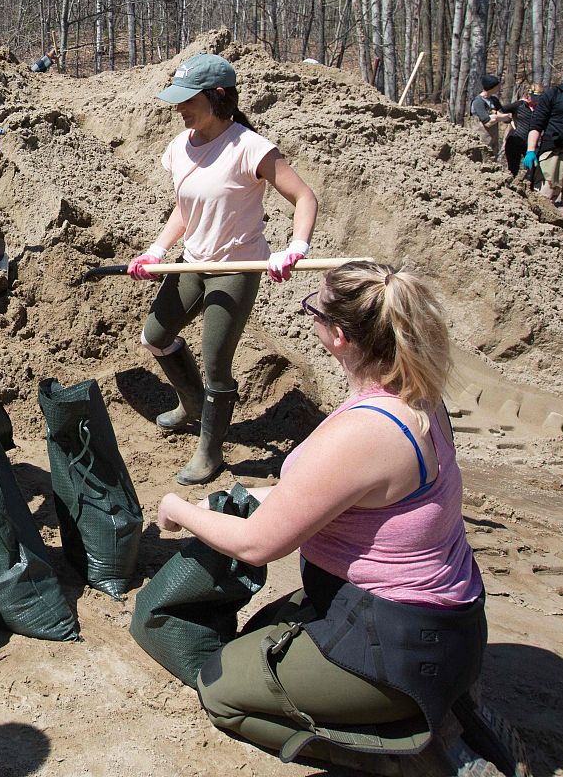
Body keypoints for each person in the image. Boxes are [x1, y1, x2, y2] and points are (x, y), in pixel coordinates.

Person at [156, 262, 489, 768]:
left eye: (313, 306)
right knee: (260, 636)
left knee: (220, 689)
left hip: (402, 642)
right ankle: (429, 708)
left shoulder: (365, 433)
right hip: (446, 621)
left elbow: (257, 545)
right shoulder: (419, 393)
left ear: (337, 335)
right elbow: (328, 493)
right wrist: (243, 496)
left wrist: (177, 508)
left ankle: (411, 753)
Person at [127, 53, 318, 485]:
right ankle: (193, 404)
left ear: (217, 97)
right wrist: (157, 250)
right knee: (155, 336)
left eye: (188, 99)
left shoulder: (248, 147)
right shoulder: (179, 146)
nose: (179, 109)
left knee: (217, 363)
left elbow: (305, 198)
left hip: (237, 265)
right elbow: (185, 207)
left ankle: (209, 453)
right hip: (192, 262)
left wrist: (296, 246)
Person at [524, 55, 563, 224]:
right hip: (553, 152)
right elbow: (536, 125)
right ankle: (537, 231)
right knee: (544, 197)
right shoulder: (553, 95)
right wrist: (530, 150)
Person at [501, 83, 541, 179]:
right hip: (515, 140)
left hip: (531, 143)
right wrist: (508, 120)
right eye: (534, 97)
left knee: (533, 170)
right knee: (513, 169)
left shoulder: (540, 109)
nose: (536, 100)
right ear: (528, 95)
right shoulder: (519, 105)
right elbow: (501, 110)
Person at [468, 74, 509, 156]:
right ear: (491, 87)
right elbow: (488, 122)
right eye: (497, 86)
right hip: (479, 142)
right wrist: (502, 117)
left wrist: (498, 117)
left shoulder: (494, 100)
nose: (499, 88)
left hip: (493, 143)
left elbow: (504, 117)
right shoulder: (478, 102)